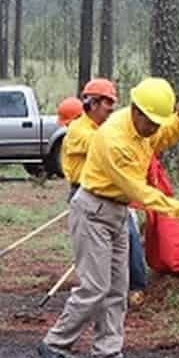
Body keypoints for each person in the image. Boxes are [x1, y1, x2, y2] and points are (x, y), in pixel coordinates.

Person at [39, 78, 179, 358]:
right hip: (93, 211)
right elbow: (139, 191)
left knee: (117, 287)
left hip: (116, 212)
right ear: (137, 112)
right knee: (95, 287)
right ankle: (54, 344)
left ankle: (107, 353)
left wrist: (178, 120)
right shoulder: (115, 139)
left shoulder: (142, 128)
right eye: (151, 122)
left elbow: (160, 137)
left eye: (157, 123)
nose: (154, 129)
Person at [60, 79, 148, 304]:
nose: (111, 109)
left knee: (129, 237)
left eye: (113, 103)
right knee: (108, 247)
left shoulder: (101, 128)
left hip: (110, 195)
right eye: (108, 103)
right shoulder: (79, 131)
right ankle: (100, 293)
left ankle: (131, 288)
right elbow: (109, 146)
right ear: (93, 103)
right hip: (88, 197)